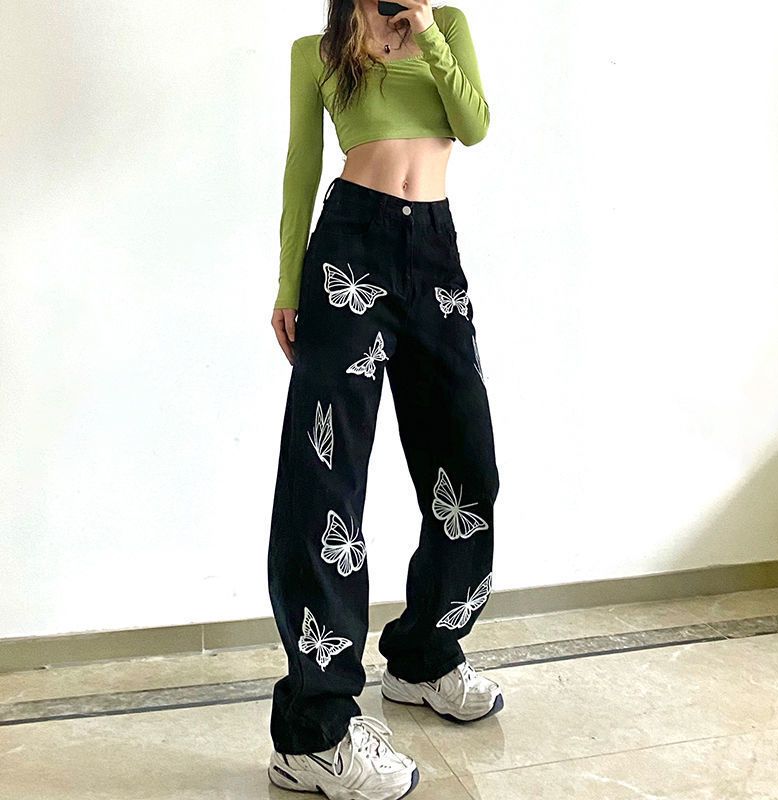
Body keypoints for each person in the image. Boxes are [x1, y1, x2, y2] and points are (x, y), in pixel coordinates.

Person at [267, 2, 501, 797]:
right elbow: (302, 165)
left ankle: (425, 656)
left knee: (466, 465)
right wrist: (288, 283)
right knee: (324, 482)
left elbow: (473, 125)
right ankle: (313, 730)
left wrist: (426, 27)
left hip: (432, 250)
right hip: (349, 248)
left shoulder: (447, 23)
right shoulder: (317, 49)